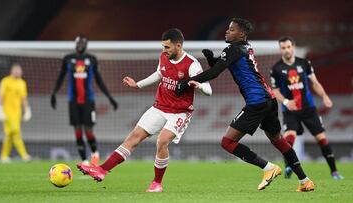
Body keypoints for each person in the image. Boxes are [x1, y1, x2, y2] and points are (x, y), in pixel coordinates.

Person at [176, 18, 314, 192]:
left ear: (241, 34)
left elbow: (214, 73)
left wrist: (187, 82)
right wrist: (212, 59)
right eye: (228, 28)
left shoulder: (233, 49)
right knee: (278, 140)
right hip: (269, 101)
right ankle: (305, 181)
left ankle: (269, 168)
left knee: (227, 142)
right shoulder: (246, 47)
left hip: (256, 102)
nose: (227, 31)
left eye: (231, 29)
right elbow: (224, 65)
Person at [77, 28, 212, 192]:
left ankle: (157, 184)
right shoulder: (163, 57)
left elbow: (208, 89)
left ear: (178, 45)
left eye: (167, 47)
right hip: (159, 107)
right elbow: (158, 74)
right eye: (163, 46)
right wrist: (138, 84)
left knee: (162, 141)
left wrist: (199, 86)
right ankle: (102, 170)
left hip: (180, 112)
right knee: (133, 138)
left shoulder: (192, 64)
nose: (164, 50)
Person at [270, 36, 344, 180]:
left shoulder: (304, 63)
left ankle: (334, 172)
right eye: (283, 48)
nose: (286, 50)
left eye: (288, 47)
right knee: (289, 137)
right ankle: (289, 165)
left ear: (294, 47)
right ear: (280, 50)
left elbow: (315, 83)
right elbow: (275, 90)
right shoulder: (276, 69)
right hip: (290, 110)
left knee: (321, 139)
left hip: (308, 109)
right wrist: (285, 101)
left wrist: (324, 96)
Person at [50, 35, 118, 166]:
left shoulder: (92, 59)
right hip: (73, 101)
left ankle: (95, 153)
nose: (80, 45)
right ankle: (84, 161)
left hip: (88, 100)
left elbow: (99, 80)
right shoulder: (68, 59)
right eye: (78, 43)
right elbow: (60, 77)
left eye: (82, 43)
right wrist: (53, 93)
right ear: (75, 44)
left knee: (88, 130)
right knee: (77, 131)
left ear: (86, 45)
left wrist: (110, 97)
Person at [0, 63, 32, 162]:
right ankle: (24, 155)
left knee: (9, 134)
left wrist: (27, 110)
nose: (17, 72)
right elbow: (0, 96)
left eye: (19, 71)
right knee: (16, 132)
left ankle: (4, 156)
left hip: (17, 113)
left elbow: (23, 98)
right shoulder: (5, 81)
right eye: (15, 70)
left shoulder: (22, 83)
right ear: (11, 71)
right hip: (7, 112)